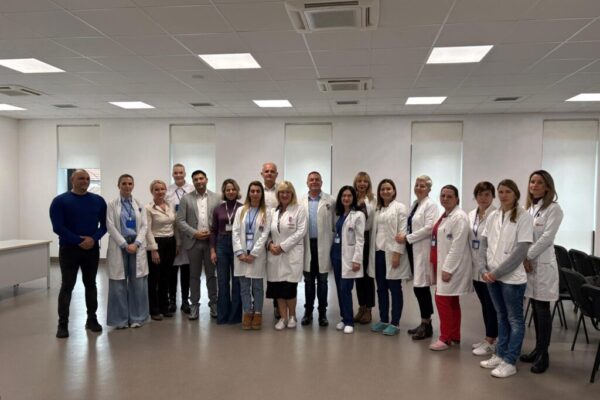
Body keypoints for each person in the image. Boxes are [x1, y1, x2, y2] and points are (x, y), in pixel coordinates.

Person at [479, 179, 533, 378]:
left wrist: (496, 273)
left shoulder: (524, 217)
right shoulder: (493, 215)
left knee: (515, 320)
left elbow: (521, 251)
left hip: (511, 279)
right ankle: (500, 354)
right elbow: (483, 244)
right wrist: (483, 268)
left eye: (508, 191)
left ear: (515, 194)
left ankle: (510, 361)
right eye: (500, 191)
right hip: (491, 276)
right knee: (501, 316)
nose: (503, 195)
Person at [50, 169, 107, 338]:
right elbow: (58, 227)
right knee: (67, 286)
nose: (85, 181)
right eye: (81, 178)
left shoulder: (98, 201)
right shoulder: (60, 201)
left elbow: (105, 225)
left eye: (88, 178)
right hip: (69, 249)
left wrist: (93, 239)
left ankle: (92, 319)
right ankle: (62, 324)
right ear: (72, 180)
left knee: (91, 284)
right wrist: (78, 240)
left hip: (91, 250)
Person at [520, 170, 563, 374]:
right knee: (535, 309)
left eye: (539, 182)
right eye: (532, 181)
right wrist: (524, 257)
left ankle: (543, 355)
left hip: (543, 265)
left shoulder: (554, 209)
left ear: (547, 187)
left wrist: (527, 256)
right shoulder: (528, 209)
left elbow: (547, 238)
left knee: (542, 309)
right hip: (529, 266)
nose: (534, 185)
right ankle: (537, 349)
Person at [429, 185, 473, 351]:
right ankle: (454, 335)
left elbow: (457, 246)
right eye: (443, 196)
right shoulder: (446, 215)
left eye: (449, 196)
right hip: (444, 264)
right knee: (452, 301)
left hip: (452, 267)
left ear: (457, 199)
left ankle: (444, 338)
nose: (445, 199)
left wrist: (448, 269)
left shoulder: (459, 217)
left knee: (442, 300)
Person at [395, 175, 439, 340]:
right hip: (413, 250)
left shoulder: (431, 205)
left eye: (422, 186)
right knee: (418, 287)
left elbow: (429, 228)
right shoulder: (415, 204)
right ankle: (424, 322)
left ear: (429, 189)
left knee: (422, 288)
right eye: (417, 185)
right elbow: (410, 225)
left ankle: (426, 324)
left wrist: (408, 238)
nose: (419, 188)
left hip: (422, 250)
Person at [175, 170, 222, 320]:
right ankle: (194, 305)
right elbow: (180, 220)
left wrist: (213, 234)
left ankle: (214, 304)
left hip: (211, 243)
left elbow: (220, 219)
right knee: (194, 276)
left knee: (211, 275)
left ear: (206, 179)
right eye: (195, 179)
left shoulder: (217, 198)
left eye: (201, 178)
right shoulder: (186, 199)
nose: (199, 181)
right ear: (193, 182)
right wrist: (194, 233)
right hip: (193, 242)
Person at [106, 174, 149, 329]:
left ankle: (138, 317)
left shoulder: (139, 204)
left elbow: (144, 226)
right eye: (124, 183)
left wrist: (136, 243)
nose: (127, 186)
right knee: (118, 283)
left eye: (130, 183)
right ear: (118, 185)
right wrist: (125, 244)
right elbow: (110, 226)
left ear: (133, 185)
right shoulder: (112, 204)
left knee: (138, 283)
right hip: (120, 245)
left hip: (137, 245)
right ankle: (120, 320)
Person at [369, 179, 410, 336]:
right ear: (379, 192)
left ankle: (395, 323)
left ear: (394, 191)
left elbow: (402, 232)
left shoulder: (400, 208)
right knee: (381, 288)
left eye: (388, 189)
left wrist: (397, 254)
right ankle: (384, 319)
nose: (385, 191)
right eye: (382, 189)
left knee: (394, 288)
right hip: (378, 253)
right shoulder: (378, 209)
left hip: (392, 253)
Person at [267, 181, 307, 330]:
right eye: (282, 192)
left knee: (289, 288)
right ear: (278, 195)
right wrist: (269, 244)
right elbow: (266, 232)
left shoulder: (299, 209)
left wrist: (283, 247)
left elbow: (301, 231)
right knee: (278, 288)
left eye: (287, 192)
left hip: (291, 254)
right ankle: (283, 318)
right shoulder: (273, 211)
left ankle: (292, 316)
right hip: (275, 255)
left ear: (292, 194)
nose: (284, 195)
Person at [233, 181, 271, 330]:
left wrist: (254, 253)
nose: (255, 194)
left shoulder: (266, 212)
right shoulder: (241, 210)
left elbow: (264, 235)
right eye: (252, 191)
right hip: (242, 255)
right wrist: (239, 252)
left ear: (261, 194)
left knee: (257, 287)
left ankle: (258, 313)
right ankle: (247, 312)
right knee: (244, 287)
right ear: (248, 193)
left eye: (258, 191)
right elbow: (235, 232)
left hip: (257, 255)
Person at [300, 171, 334, 327]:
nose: (314, 182)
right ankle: (308, 313)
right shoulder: (300, 201)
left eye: (317, 180)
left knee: (322, 281)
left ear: (321, 182)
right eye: (311, 180)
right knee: (308, 281)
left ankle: (322, 314)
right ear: (307, 183)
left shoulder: (330, 201)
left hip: (323, 245)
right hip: (307, 245)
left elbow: (334, 224)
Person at [468, 182, 498, 357]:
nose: (483, 198)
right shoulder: (471, 214)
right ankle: (489, 338)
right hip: (475, 267)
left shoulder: (496, 215)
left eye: (487, 194)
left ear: (493, 196)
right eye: (480, 194)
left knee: (491, 305)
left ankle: (491, 340)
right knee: (484, 305)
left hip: (488, 268)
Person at [331, 186, 365, 334]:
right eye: (343, 196)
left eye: (349, 196)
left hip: (349, 257)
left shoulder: (358, 215)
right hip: (336, 255)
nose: (346, 198)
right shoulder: (340, 214)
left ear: (353, 198)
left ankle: (350, 321)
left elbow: (360, 239)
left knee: (346, 289)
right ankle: (344, 318)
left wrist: (357, 259)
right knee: (339, 289)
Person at [210, 179, 243, 325]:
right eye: (228, 189)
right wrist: (212, 250)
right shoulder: (218, 209)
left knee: (237, 281)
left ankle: (235, 316)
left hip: (237, 245)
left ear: (237, 191)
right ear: (224, 192)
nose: (230, 192)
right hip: (221, 245)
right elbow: (213, 231)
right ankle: (222, 315)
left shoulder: (243, 208)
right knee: (223, 282)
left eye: (233, 189)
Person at [145, 180, 178, 321]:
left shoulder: (170, 205)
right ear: (152, 192)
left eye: (162, 189)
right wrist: (153, 249)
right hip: (156, 243)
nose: (160, 192)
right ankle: (154, 309)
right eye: (157, 189)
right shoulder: (148, 208)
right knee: (154, 278)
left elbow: (174, 225)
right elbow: (147, 230)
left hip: (170, 242)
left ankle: (165, 307)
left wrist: (177, 244)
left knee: (166, 276)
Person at [166, 163, 195, 314]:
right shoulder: (167, 191)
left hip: (188, 232)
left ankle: (185, 300)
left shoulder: (192, 189)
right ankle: (172, 300)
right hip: (172, 233)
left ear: (185, 173)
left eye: (180, 172)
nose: (178, 175)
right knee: (172, 269)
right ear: (173, 174)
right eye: (175, 173)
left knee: (186, 269)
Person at [353, 171, 376, 324]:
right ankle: (361, 307)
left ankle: (369, 309)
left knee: (368, 276)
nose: (362, 184)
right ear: (355, 183)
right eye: (359, 181)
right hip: (354, 239)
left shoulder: (373, 200)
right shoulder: (351, 198)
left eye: (365, 181)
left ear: (368, 184)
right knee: (358, 276)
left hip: (367, 239)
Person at [261, 162, 280, 319]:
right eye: (266, 171)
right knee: (256, 271)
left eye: (272, 171)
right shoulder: (256, 190)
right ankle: (255, 305)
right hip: (258, 233)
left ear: (276, 174)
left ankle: (277, 305)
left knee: (275, 272)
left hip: (275, 235)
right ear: (262, 174)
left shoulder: (281, 190)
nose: (269, 173)